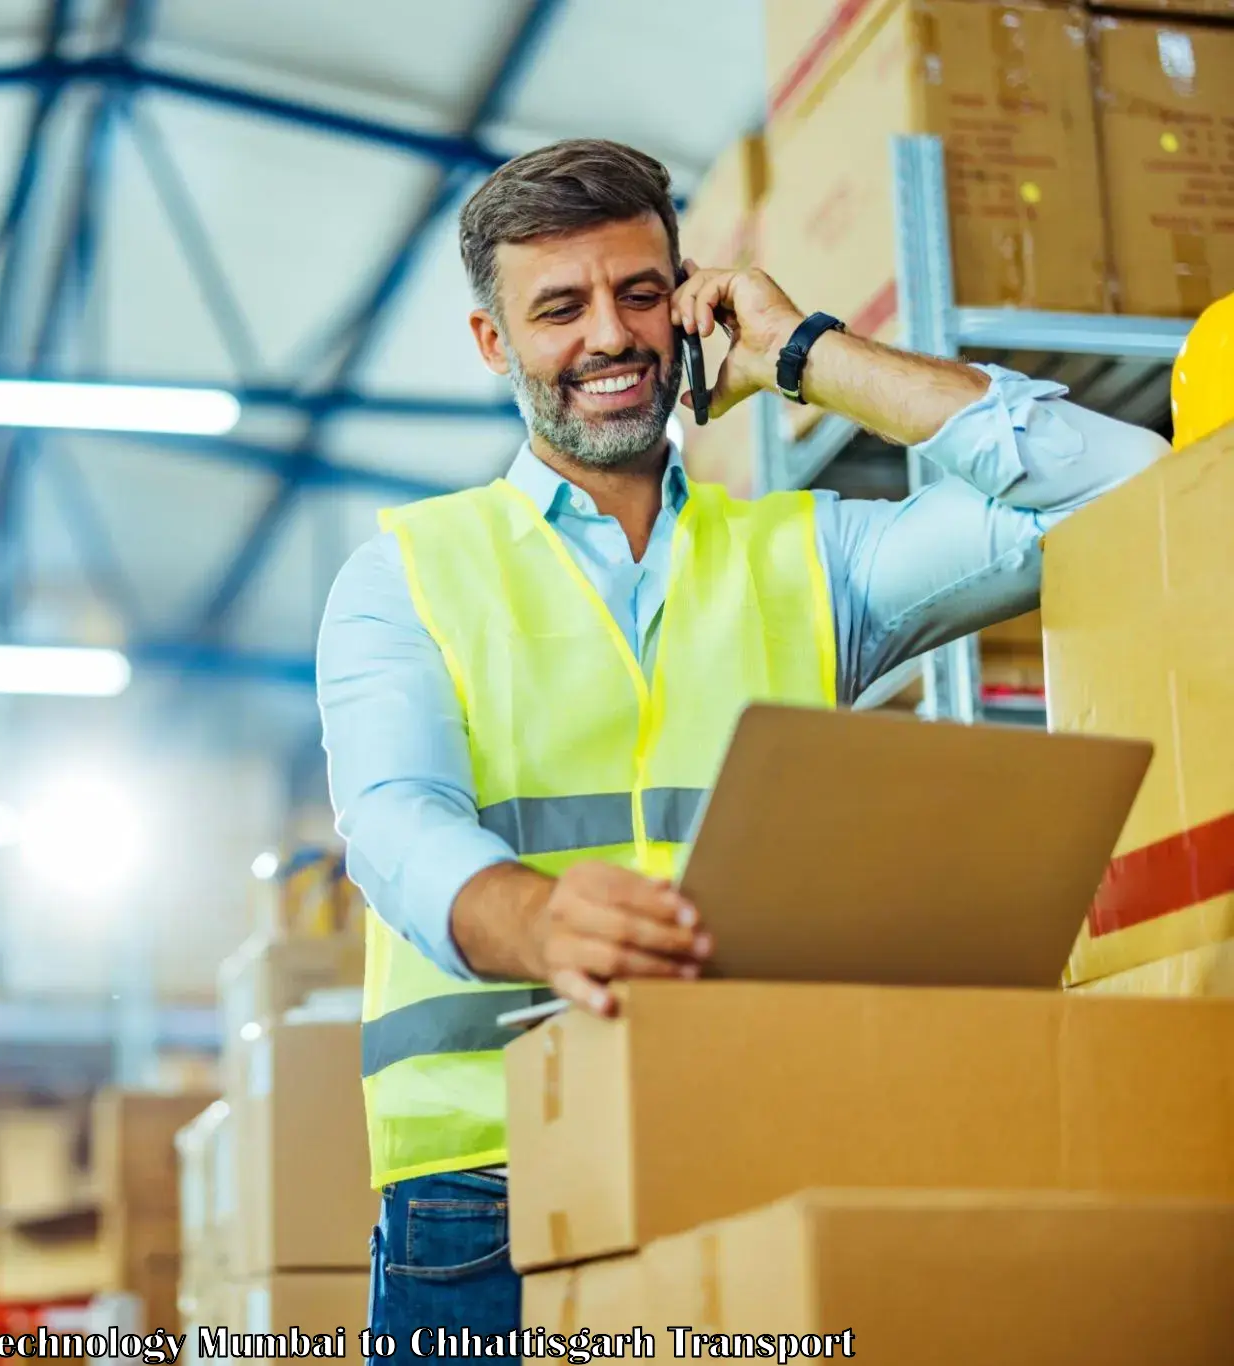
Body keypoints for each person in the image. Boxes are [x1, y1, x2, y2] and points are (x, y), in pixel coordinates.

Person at [314, 138, 1169, 1363]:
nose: (609, 336)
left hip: (757, 1133)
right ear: (494, 345)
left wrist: (809, 355)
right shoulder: (404, 571)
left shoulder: (806, 557)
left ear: (687, 296)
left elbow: (1122, 488)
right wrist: (539, 920)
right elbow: (394, 819)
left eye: (639, 292)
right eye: (558, 308)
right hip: (489, 1183)